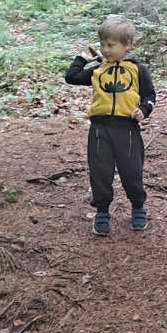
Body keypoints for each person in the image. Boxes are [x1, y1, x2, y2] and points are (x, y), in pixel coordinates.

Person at [65, 14, 156, 237]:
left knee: (132, 171)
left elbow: (150, 95)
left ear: (127, 45)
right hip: (100, 129)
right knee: (100, 172)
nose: (105, 49)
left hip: (127, 129)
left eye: (111, 45)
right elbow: (71, 77)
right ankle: (102, 212)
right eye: (102, 44)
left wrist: (144, 110)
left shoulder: (137, 70)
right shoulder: (98, 71)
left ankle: (138, 207)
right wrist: (82, 58)